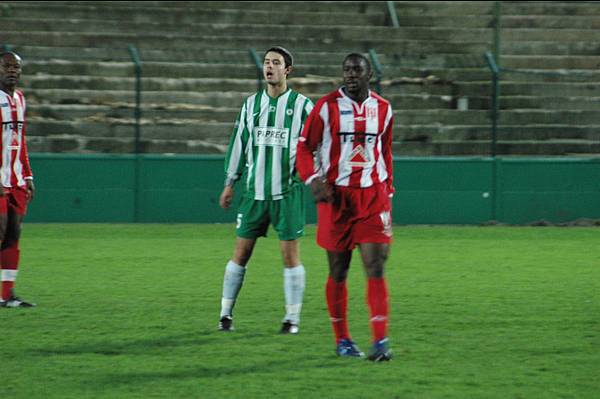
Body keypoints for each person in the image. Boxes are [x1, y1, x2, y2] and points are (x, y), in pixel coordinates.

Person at [296, 53, 394, 361]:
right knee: (339, 271)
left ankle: (380, 342)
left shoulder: (384, 108)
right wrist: (312, 179)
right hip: (336, 198)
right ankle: (343, 339)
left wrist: (388, 191)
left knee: (375, 266)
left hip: (372, 196)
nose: (351, 75)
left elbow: (385, 150)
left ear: (369, 74)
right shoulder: (326, 107)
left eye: (357, 70)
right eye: (347, 70)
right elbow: (303, 146)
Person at [217, 46, 313, 334]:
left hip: (288, 194)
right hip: (254, 194)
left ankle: (292, 319)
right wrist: (229, 182)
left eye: (276, 63)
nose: (269, 67)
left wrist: (308, 174)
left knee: (289, 256)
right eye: (267, 62)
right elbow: (239, 143)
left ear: (288, 70)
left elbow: (316, 145)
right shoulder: (251, 105)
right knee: (241, 252)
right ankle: (225, 315)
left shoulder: (303, 107)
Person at [0, 52, 35, 308]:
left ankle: (6, 295)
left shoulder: (20, 98)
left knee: (13, 233)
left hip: (17, 179)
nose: (12, 70)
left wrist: (29, 174)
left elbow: (20, 141)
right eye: (7, 66)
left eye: (16, 67)